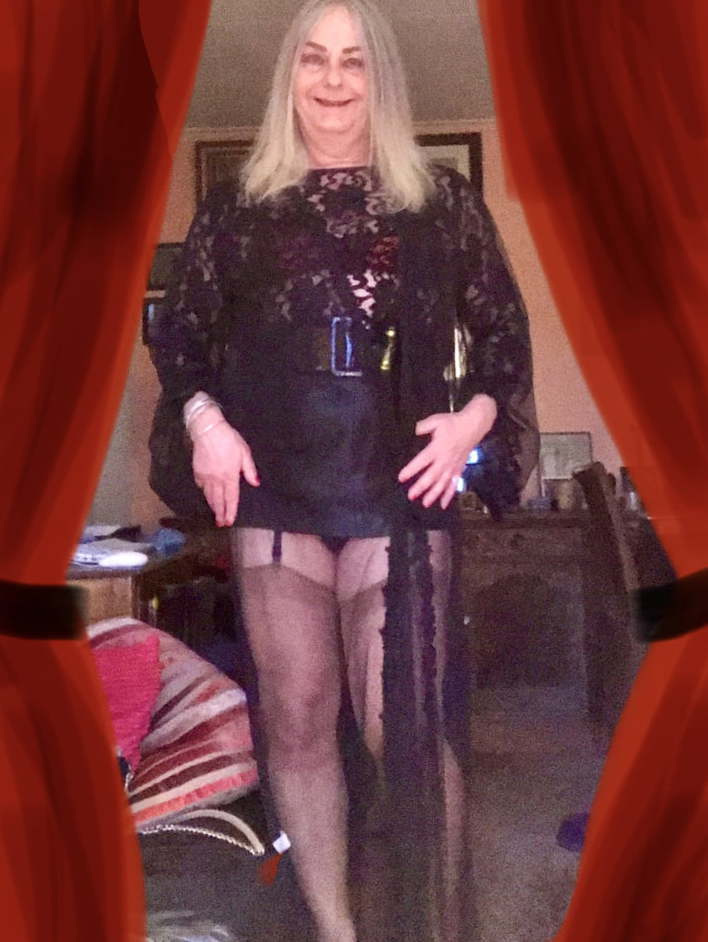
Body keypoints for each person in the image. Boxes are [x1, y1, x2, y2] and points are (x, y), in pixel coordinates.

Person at [150, 1, 537, 939]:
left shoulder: (440, 202)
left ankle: (433, 924)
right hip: (276, 494)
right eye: (315, 59)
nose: (332, 80)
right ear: (290, 76)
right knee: (297, 718)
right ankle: (339, 930)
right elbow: (181, 337)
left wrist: (473, 421)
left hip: (398, 492)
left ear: (380, 79)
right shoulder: (236, 208)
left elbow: (502, 335)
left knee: (405, 728)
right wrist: (204, 422)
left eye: (354, 62)